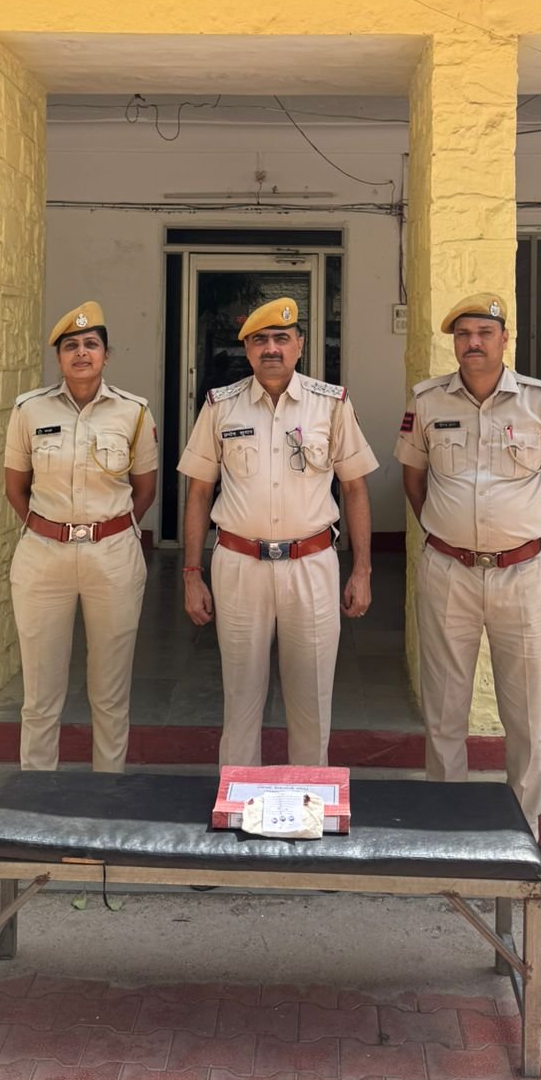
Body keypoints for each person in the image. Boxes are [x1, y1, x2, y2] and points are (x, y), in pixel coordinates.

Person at [394, 292, 541, 900]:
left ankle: (525, 842)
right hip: (447, 572)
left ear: (506, 339)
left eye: (483, 332)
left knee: (526, 716)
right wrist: (448, 534)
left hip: (521, 577)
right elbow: (414, 479)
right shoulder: (428, 401)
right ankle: (447, 837)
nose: (472, 342)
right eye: (463, 334)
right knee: (444, 711)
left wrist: (526, 535)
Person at [178, 297, 378, 766]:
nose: (271, 348)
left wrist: (362, 570)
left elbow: (355, 489)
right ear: (247, 349)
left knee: (312, 701)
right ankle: (237, 800)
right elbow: (198, 493)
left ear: (299, 345)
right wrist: (191, 574)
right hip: (239, 565)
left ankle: (308, 800)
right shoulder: (220, 406)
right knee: (240, 698)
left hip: (311, 565)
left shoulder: (331, 404)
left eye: (281, 338)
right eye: (260, 340)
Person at [3, 301, 157, 773]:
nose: (82, 353)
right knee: (40, 692)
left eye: (91, 344)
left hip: (112, 556)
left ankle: (106, 792)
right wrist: (54, 529)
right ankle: (36, 795)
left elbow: (145, 490)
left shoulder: (134, 412)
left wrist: (105, 531)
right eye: (71, 346)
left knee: (110, 691)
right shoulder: (29, 409)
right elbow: (15, 487)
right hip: (43, 555)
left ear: (107, 354)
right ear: (59, 357)